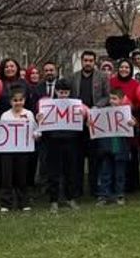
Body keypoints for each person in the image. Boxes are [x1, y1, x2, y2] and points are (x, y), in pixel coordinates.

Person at [66, 50, 110, 197]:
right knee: (77, 158)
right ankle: (77, 189)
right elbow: (70, 97)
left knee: (94, 157)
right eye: (86, 60)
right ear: (82, 61)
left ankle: (94, 188)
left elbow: (107, 96)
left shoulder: (102, 77)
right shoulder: (74, 77)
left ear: (95, 62)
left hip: (95, 121)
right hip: (77, 122)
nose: (88, 63)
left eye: (91, 61)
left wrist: (97, 107)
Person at [39, 78, 82, 213]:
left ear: (70, 92)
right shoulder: (48, 105)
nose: (63, 95)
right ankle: (53, 200)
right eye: (61, 92)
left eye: (66, 92)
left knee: (71, 171)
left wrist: (82, 114)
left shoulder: (76, 105)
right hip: (53, 141)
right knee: (54, 172)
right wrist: (39, 118)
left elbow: (86, 114)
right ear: (56, 91)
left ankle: (70, 198)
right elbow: (41, 122)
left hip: (71, 141)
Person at [0, 87, 37, 212]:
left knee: (22, 177)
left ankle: (23, 202)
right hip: (7, 152)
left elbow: (36, 130)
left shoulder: (29, 114)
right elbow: (0, 132)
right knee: (7, 177)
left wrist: (36, 135)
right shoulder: (5, 115)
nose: (18, 103)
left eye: (20, 100)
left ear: (24, 101)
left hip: (23, 151)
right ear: (10, 102)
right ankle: (6, 203)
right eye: (15, 100)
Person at [96, 88, 134, 205]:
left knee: (120, 173)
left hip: (120, 146)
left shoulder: (126, 113)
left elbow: (133, 127)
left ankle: (119, 194)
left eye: (115, 99)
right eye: (110, 98)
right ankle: (104, 195)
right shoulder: (103, 112)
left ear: (122, 100)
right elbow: (96, 125)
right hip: (106, 146)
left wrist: (133, 123)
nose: (112, 101)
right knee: (105, 172)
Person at [109, 59, 140, 193]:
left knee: (131, 153)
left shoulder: (136, 84)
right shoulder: (111, 82)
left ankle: (131, 185)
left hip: (130, 122)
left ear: (131, 70)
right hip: (114, 124)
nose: (124, 70)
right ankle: (114, 184)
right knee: (116, 153)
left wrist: (132, 106)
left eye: (127, 67)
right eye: (122, 67)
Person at [34, 61, 59, 188]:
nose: (49, 72)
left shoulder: (62, 86)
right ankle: (44, 184)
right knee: (44, 158)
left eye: (51, 70)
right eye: (47, 70)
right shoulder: (38, 88)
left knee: (58, 158)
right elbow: (34, 107)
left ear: (56, 71)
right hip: (43, 130)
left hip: (59, 129)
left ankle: (58, 183)